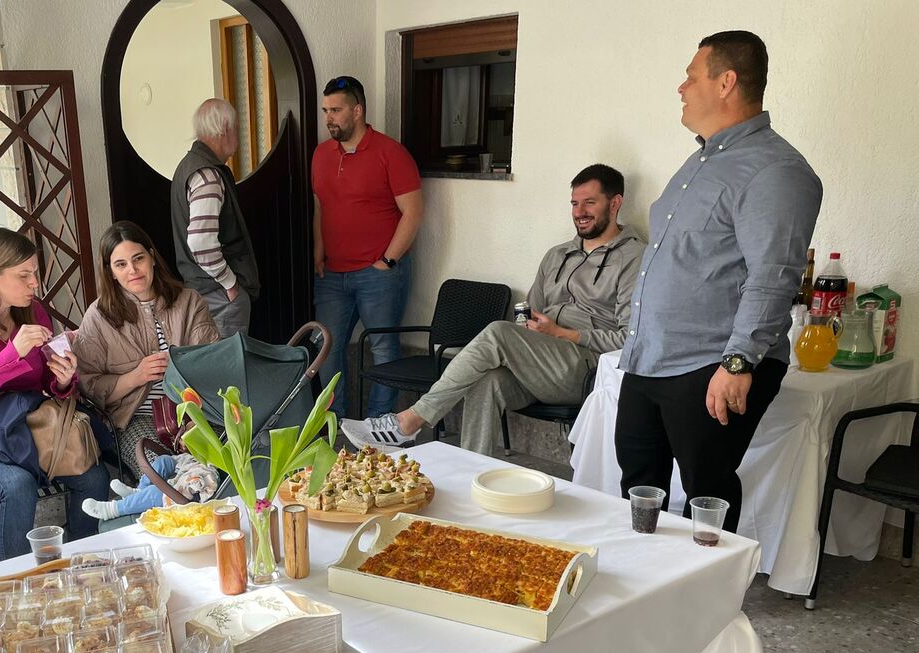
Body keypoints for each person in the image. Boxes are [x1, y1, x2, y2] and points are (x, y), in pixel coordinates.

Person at [617, 31, 822, 532]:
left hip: (712, 363)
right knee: (639, 490)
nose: (681, 87)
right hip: (651, 358)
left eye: (691, 76)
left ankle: (710, 583)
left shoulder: (776, 170)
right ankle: (642, 577)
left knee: (706, 498)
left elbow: (773, 276)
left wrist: (738, 362)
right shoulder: (701, 162)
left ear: (726, 82)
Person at [342, 165, 646, 455]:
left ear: (615, 203)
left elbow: (629, 339)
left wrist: (563, 334)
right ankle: (471, 474)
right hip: (541, 361)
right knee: (485, 383)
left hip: (585, 369)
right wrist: (528, 329)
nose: (579, 212)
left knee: (499, 331)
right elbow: (531, 312)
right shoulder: (557, 255)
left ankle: (409, 421)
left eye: (589, 202)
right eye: (574, 203)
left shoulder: (634, 258)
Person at [0, 227, 109, 558]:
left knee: (95, 477)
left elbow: (48, 385)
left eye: (35, 273)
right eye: (23, 275)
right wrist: (12, 354)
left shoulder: (33, 311)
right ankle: (16, 578)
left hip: (25, 428)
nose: (34, 284)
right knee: (18, 485)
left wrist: (64, 378)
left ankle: (81, 564)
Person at [311, 75, 423, 417]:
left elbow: (413, 212)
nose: (328, 118)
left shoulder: (391, 153)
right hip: (332, 274)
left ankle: (377, 427)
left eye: (335, 110)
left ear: (357, 110)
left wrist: (388, 261)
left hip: (378, 273)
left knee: (384, 348)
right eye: (325, 110)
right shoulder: (321, 154)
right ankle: (335, 426)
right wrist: (318, 250)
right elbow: (321, 206)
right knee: (327, 350)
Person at [73, 220, 219, 477]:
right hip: (134, 419)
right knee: (158, 471)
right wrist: (136, 376)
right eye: (121, 264)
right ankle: (142, 499)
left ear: (152, 257)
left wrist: (193, 418)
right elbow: (88, 386)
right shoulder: (99, 316)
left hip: (196, 413)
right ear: (111, 272)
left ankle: (138, 497)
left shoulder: (189, 301)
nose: (133, 270)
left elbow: (212, 362)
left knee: (223, 461)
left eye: (138, 258)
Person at [170, 98, 260, 338]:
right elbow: (200, 242)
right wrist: (230, 283)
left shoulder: (188, 166)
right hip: (218, 295)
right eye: (237, 128)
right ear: (225, 128)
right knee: (227, 360)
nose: (239, 136)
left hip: (203, 290)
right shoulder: (207, 175)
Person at [81, 453, 218, 521]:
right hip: (194, 464)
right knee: (164, 461)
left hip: (191, 490)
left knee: (156, 491)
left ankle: (112, 510)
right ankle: (139, 491)